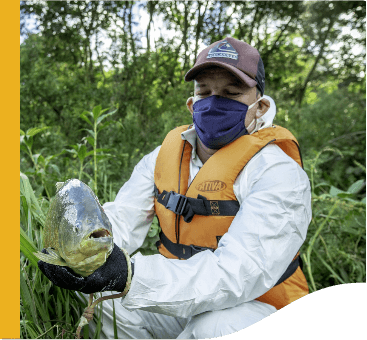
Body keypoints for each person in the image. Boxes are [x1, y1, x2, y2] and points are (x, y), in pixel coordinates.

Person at [38, 37, 312, 339]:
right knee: (100, 295)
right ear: (192, 104)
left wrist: (130, 275)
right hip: (182, 294)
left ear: (260, 107)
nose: (215, 102)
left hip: (255, 305)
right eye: (205, 92)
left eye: (231, 94)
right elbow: (122, 219)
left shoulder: (278, 172)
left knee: (213, 328)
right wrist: (80, 250)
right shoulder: (163, 156)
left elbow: (239, 274)